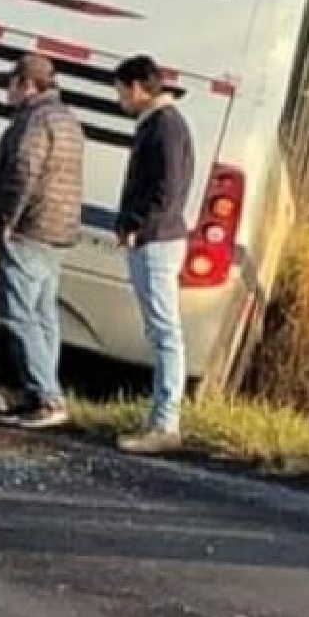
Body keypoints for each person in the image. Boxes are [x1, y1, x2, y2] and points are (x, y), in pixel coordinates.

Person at [0, 54, 84, 430]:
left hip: (27, 229)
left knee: (19, 314)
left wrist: (5, 220)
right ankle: (43, 393)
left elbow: (24, 170)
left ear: (27, 85)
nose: (8, 91)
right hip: (56, 230)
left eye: (12, 83)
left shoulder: (34, 122)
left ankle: (46, 396)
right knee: (43, 315)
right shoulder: (67, 120)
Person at [111, 54, 195, 453]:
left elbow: (166, 188)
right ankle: (160, 418)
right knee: (160, 330)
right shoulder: (161, 125)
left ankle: (165, 423)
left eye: (121, 91)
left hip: (157, 241)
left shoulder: (165, 127)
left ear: (137, 87)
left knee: (165, 332)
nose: (120, 100)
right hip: (155, 237)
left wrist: (137, 225)